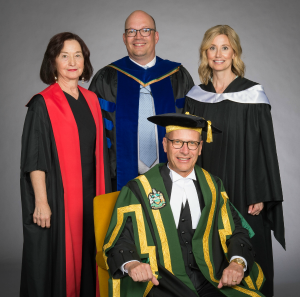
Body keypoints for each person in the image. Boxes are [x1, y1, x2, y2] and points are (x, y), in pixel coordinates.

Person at [102, 113, 266, 297]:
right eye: (177, 142)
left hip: (211, 279)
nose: (185, 151)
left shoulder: (213, 186)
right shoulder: (139, 189)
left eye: (192, 143)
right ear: (165, 144)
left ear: (200, 147)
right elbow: (120, 240)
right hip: (162, 283)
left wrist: (237, 263)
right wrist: (132, 264)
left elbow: (237, 231)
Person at [183, 25, 285, 297]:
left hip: (244, 186)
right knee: (210, 247)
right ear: (205, 53)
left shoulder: (252, 95)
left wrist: (261, 194)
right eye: (212, 48)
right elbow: (188, 145)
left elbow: (266, 150)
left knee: (246, 245)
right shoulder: (195, 96)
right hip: (207, 185)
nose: (218, 54)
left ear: (234, 52)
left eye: (225, 48)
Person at [20, 32, 110, 297]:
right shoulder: (43, 103)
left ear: (85, 61)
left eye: (78, 55)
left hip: (90, 198)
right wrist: (41, 201)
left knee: (88, 258)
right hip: (59, 199)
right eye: (64, 56)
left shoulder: (91, 100)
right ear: (53, 62)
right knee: (59, 262)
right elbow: (34, 157)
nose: (72, 61)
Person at [89, 10, 194, 191]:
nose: (138, 36)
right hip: (118, 178)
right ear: (124, 38)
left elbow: (194, 128)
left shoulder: (178, 75)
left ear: (156, 36)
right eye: (131, 31)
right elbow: (90, 131)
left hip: (174, 180)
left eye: (145, 30)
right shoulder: (106, 78)